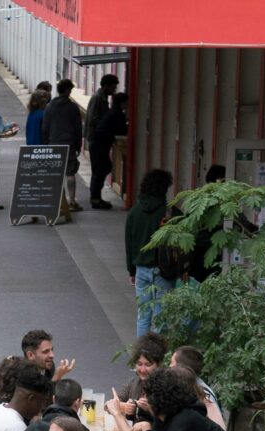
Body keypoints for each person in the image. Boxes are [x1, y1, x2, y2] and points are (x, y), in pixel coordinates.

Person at [125, 171, 177, 337]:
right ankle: (157, 357)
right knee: (160, 316)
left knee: (143, 315)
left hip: (140, 269)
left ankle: (142, 357)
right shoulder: (169, 213)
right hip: (163, 270)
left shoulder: (134, 212)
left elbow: (129, 244)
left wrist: (131, 271)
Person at [43, 80, 85, 211]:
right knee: (70, 172)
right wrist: (78, 145)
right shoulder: (73, 107)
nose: (71, 92)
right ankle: (71, 201)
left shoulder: (50, 106)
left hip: (53, 143)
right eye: (70, 90)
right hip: (69, 144)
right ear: (66, 90)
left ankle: (57, 201)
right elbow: (78, 128)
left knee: (56, 172)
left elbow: (45, 127)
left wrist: (46, 143)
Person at [86, 74, 122, 208]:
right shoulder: (98, 98)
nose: (114, 90)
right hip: (97, 139)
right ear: (106, 86)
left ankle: (96, 196)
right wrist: (107, 124)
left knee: (102, 167)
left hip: (98, 139)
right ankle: (95, 198)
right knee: (100, 168)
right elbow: (94, 119)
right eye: (113, 87)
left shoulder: (101, 97)